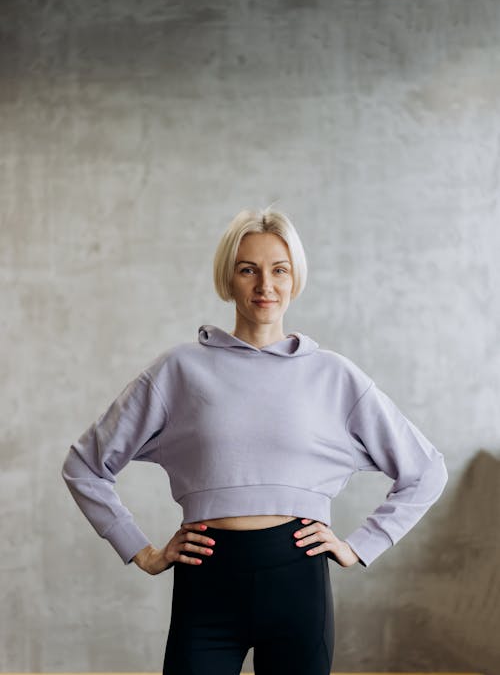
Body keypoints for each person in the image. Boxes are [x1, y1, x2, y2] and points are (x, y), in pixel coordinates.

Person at [62, 205, 448, 675]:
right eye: (249, 270)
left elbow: (425, 470)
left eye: (279, 270)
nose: (265, 285)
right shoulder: (180, 370)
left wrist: (363, 543)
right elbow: (84, 464)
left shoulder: (334, 375)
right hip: (206, 585)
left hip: (297, 580)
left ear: (295, 278)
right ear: (229, 279)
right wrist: (140, 550)